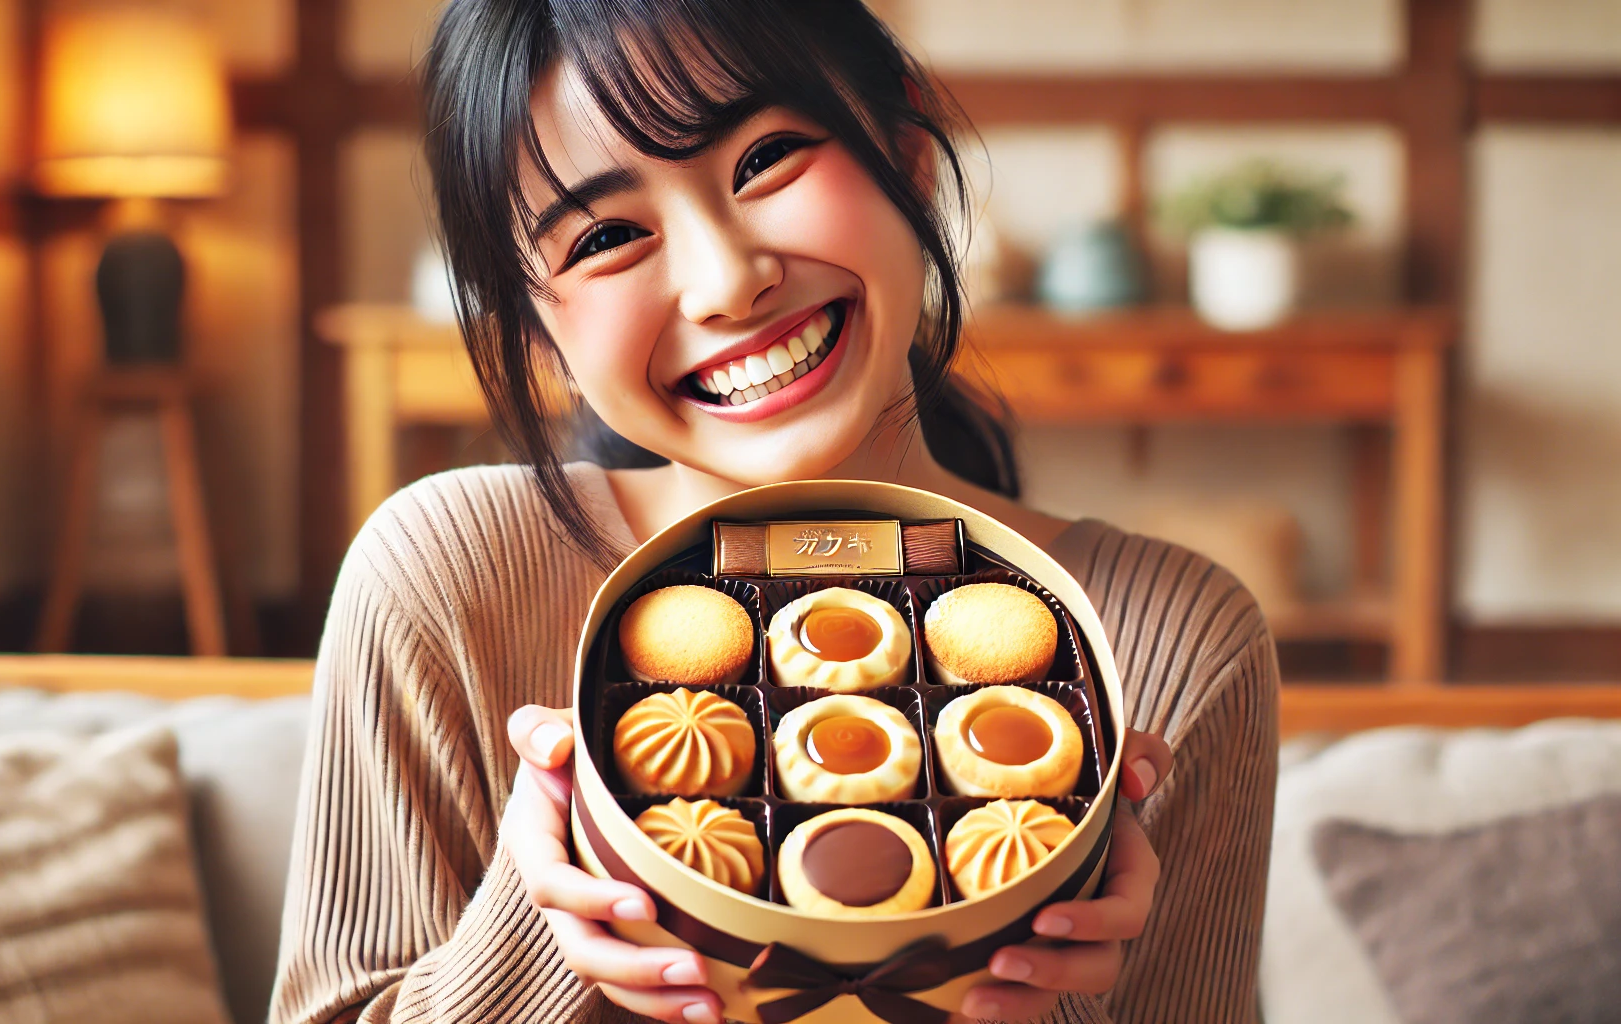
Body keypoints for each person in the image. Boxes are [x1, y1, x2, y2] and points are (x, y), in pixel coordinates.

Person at [269, 1, 1278, 1022]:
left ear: (908, 153)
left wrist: (1023, 956)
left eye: (767, 158)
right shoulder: (450, 582)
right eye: (609, 235)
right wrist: (567, 898)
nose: (726, 282)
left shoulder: (1169, 639)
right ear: (537, 333)